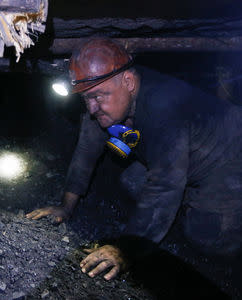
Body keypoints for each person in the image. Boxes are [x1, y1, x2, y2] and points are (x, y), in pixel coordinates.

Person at [26, 38, 242, 281]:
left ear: (128, 82)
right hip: (185, 157)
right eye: (85, 98)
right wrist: (65, 207)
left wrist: (126, 249)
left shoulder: (163, 106)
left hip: (229, 161)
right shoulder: (104, 100)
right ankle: (180, 208)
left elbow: (164, 185)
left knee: (206, 237)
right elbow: (86, 150)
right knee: (133, 181)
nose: (91, 108)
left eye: (97, 97)